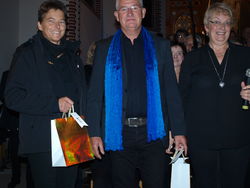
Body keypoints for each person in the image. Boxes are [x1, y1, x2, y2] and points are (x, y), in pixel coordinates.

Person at [86, 0, 187, 187]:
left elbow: (171, 91)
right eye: (124, 9)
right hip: (118, 134)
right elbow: (94, 95)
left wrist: (179, 131)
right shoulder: (104, 48)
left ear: (143, 12)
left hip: (154, 134)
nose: (130, 13)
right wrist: (94, 133)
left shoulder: (161, 46)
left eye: (134, 8)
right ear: (117, 16)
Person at [4, 0, 87, 188]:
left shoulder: (72, 55)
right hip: (41, 136)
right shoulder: (27, 53)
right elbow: (12, 96)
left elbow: (82, 93)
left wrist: (85, 124)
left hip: (72, 132)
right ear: (39, 25)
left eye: (62, 22)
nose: (57, 26)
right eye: (51, 21)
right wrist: (54, 104)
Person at [179, 2, 250, 188]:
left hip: (238, 137)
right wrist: (179, 132)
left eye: (227, 23)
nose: (222, 27)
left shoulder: (245, 55)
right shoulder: (193, 59)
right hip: (201, 139)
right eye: (216, 22)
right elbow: (182, 98)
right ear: (206, 27)